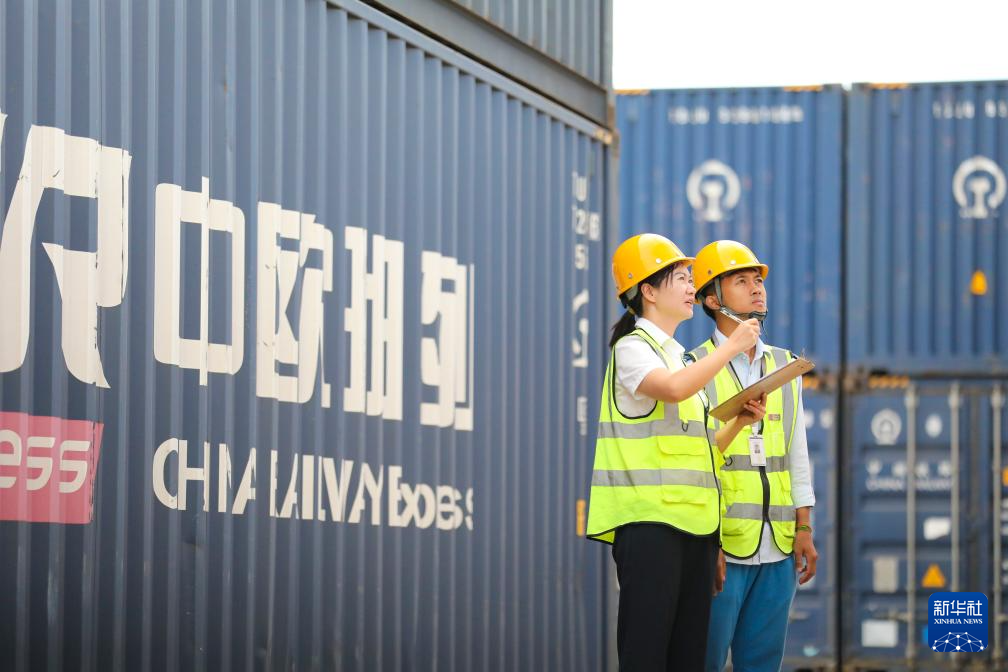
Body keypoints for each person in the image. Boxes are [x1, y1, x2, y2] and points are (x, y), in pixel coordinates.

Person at [585, 233, 767, 672]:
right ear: (648, 291)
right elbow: (670, 390)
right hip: (650, 527)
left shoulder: (682, 359)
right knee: (646, 655)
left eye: (690, 279)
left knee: (687, 658)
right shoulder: (632, 350)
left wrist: (740, 422)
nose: (691, 287)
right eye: (681, 278)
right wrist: (731, 347)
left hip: (696, 530)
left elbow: (704, 447)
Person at [685, 240, 818, 672]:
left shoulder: (786, 365)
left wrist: (804, 526)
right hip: (723, 548)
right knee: (703, 660)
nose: (757, 288)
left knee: (762, 664)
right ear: (712, 299)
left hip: (777, 547)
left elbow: (796, 454)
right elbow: (692, 464)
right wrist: (706, 544)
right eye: (741, 281)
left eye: (758, 280)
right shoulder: (692, 367)